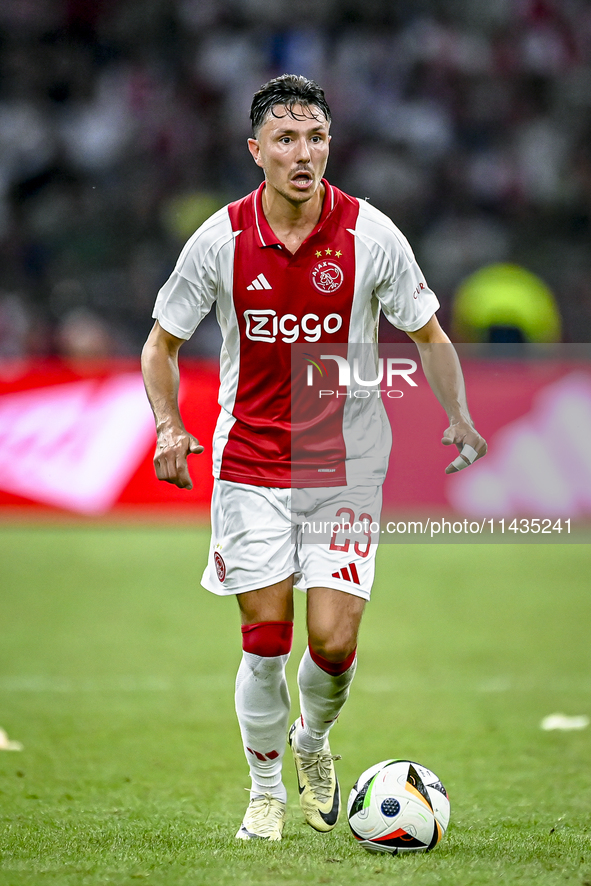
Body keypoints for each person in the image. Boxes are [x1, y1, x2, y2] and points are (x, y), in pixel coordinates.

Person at [141, 74, 487, 842]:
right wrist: (168, 424)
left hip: (346, 465)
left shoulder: (372, 235)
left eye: (318, 137)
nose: (305, 153)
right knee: (266, 640)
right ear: (256, 150)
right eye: (288, 139)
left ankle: (310, 743)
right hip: (251, 463)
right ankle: (265, 792)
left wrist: (458, 415)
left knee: (331, 645)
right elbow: (161, 344)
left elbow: (427, 334)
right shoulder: (219, 240)